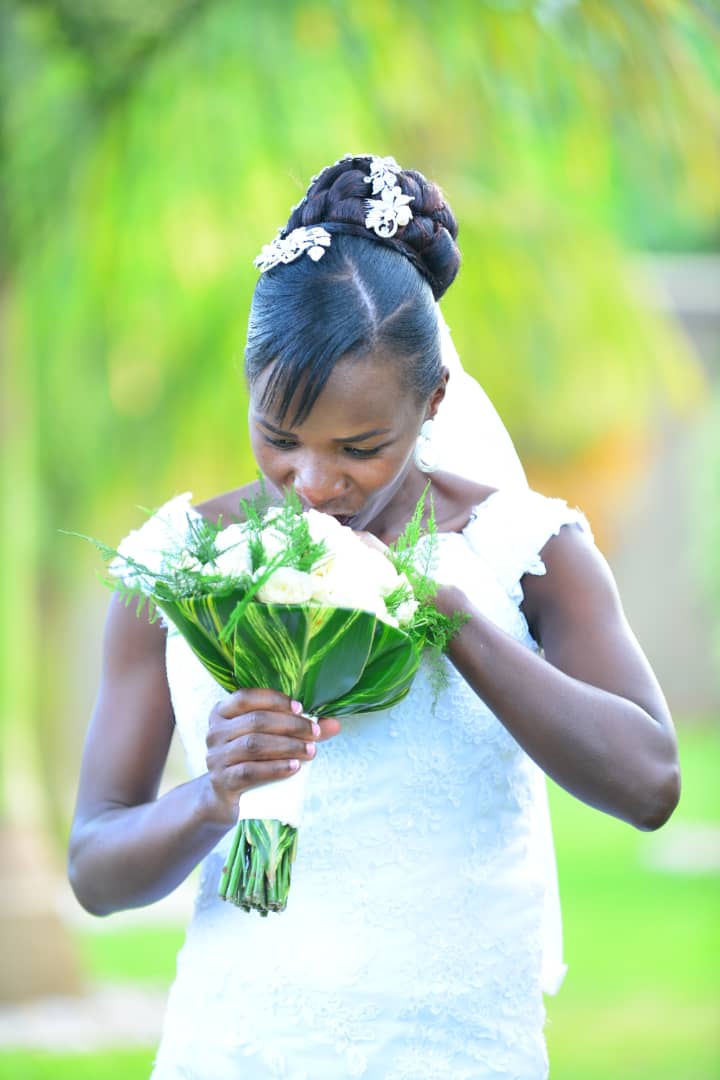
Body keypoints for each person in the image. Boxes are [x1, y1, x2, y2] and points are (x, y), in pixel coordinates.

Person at [68, 154, 680, 1079]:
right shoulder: (176, 566)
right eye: (280, 438)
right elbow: (95, 869)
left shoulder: (526, 551)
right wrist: (215, 795)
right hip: (235, 1048)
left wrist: (445, 612)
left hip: (457, 1052)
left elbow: (650, 784)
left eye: (359, 447)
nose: (314, 484)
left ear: (432, 400)